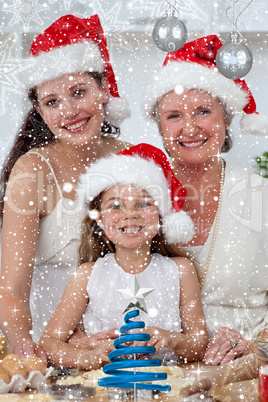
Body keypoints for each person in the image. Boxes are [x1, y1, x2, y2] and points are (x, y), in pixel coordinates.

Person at [0, 14, 131, 363]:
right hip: (53, 348)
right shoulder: (32, 172)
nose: (69, 111)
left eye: (78, 92)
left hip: (117, 346)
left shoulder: (128, 158)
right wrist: (27, 348)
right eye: (52, 102)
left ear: (104, 91)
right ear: (40, 111)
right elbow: (11, 290)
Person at [141, 35, 268, 365]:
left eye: (203, 111)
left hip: (245, 376)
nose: (190, 128)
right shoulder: (137, 197)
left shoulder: (261, 197)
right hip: (153, 375)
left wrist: (257, 347)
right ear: (158, 125)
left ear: (226, 119)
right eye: (173, 116)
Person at [39, 143, 208, 370]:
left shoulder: (180, 270)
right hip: (104, 386)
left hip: (168, 385)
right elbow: (49, 343)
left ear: (160, 216)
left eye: (143, 204)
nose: (130, 214)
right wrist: (86, 357)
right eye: (116, 206)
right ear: (99, 220)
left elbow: (199, 345)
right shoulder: (87, 275)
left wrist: (172, 339)